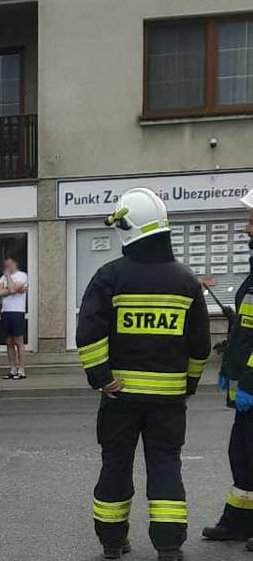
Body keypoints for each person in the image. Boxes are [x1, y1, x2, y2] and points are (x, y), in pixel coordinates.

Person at [77, 188, 210, 561]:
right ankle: (169, 546)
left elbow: (89, 332)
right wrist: (189, 384)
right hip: (168, 399)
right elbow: (199, 344)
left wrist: (102, 377)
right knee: (165, 464)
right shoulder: (186, 281)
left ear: (128, 228)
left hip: (119, 396)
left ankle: (112, 542)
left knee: (116, 463)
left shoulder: (110, 276)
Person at [203, 191, 253, 551]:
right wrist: (229, 366)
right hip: (247, 387)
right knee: (242, 455)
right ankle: (238, 522)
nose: (247, 228)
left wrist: (248, 378)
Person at [0, 257, 28, 379]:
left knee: (18, 341)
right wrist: (13, 290)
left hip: (17, 311)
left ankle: (21, 369)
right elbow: (0, 292)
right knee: (9, 341)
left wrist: (10, 280)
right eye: (6, 265)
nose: (8, 267)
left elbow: (11, 289)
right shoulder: (2, 277)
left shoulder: (22, 275)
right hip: (6, 311)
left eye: (10, 264)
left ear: (15, 264)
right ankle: (12, 368)